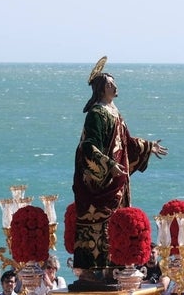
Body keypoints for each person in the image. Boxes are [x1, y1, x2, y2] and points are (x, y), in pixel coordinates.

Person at [72, 57, 168, 281]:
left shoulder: (114, 112)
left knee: (114, 223)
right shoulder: (97, 114)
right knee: (96, 223)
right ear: (103, 88)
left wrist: (147, 146)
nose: (115, 87)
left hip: (116, 180)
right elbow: (88, 146)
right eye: (111, 84)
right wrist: (108, 164)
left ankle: (111, 267)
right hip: (99, 181)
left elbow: (125, 143)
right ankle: (90, 271)